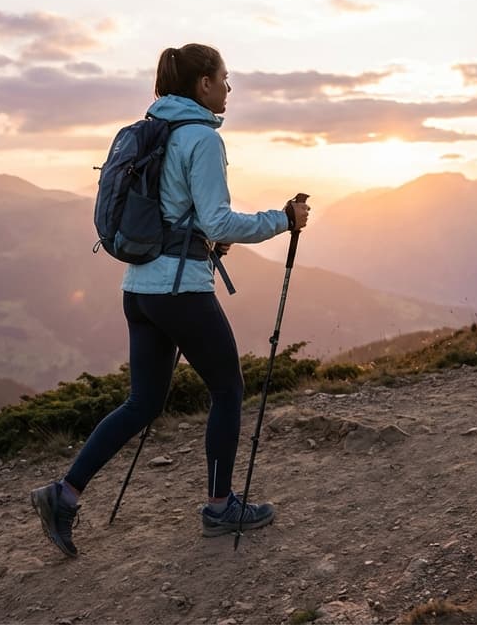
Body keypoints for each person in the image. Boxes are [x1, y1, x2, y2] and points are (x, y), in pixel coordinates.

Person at [30, 43, 310, 558]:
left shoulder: (152, 130)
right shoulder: (200, 136)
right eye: (224, 78)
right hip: (180, 290)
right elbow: (217, 219)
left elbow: (177, 216)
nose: (228, 88)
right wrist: (282, 219)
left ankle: (64, 495)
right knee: (228, 390)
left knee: (143, 403)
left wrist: (203, 241)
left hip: (139, 289)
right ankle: (221, 506)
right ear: (203, 83)